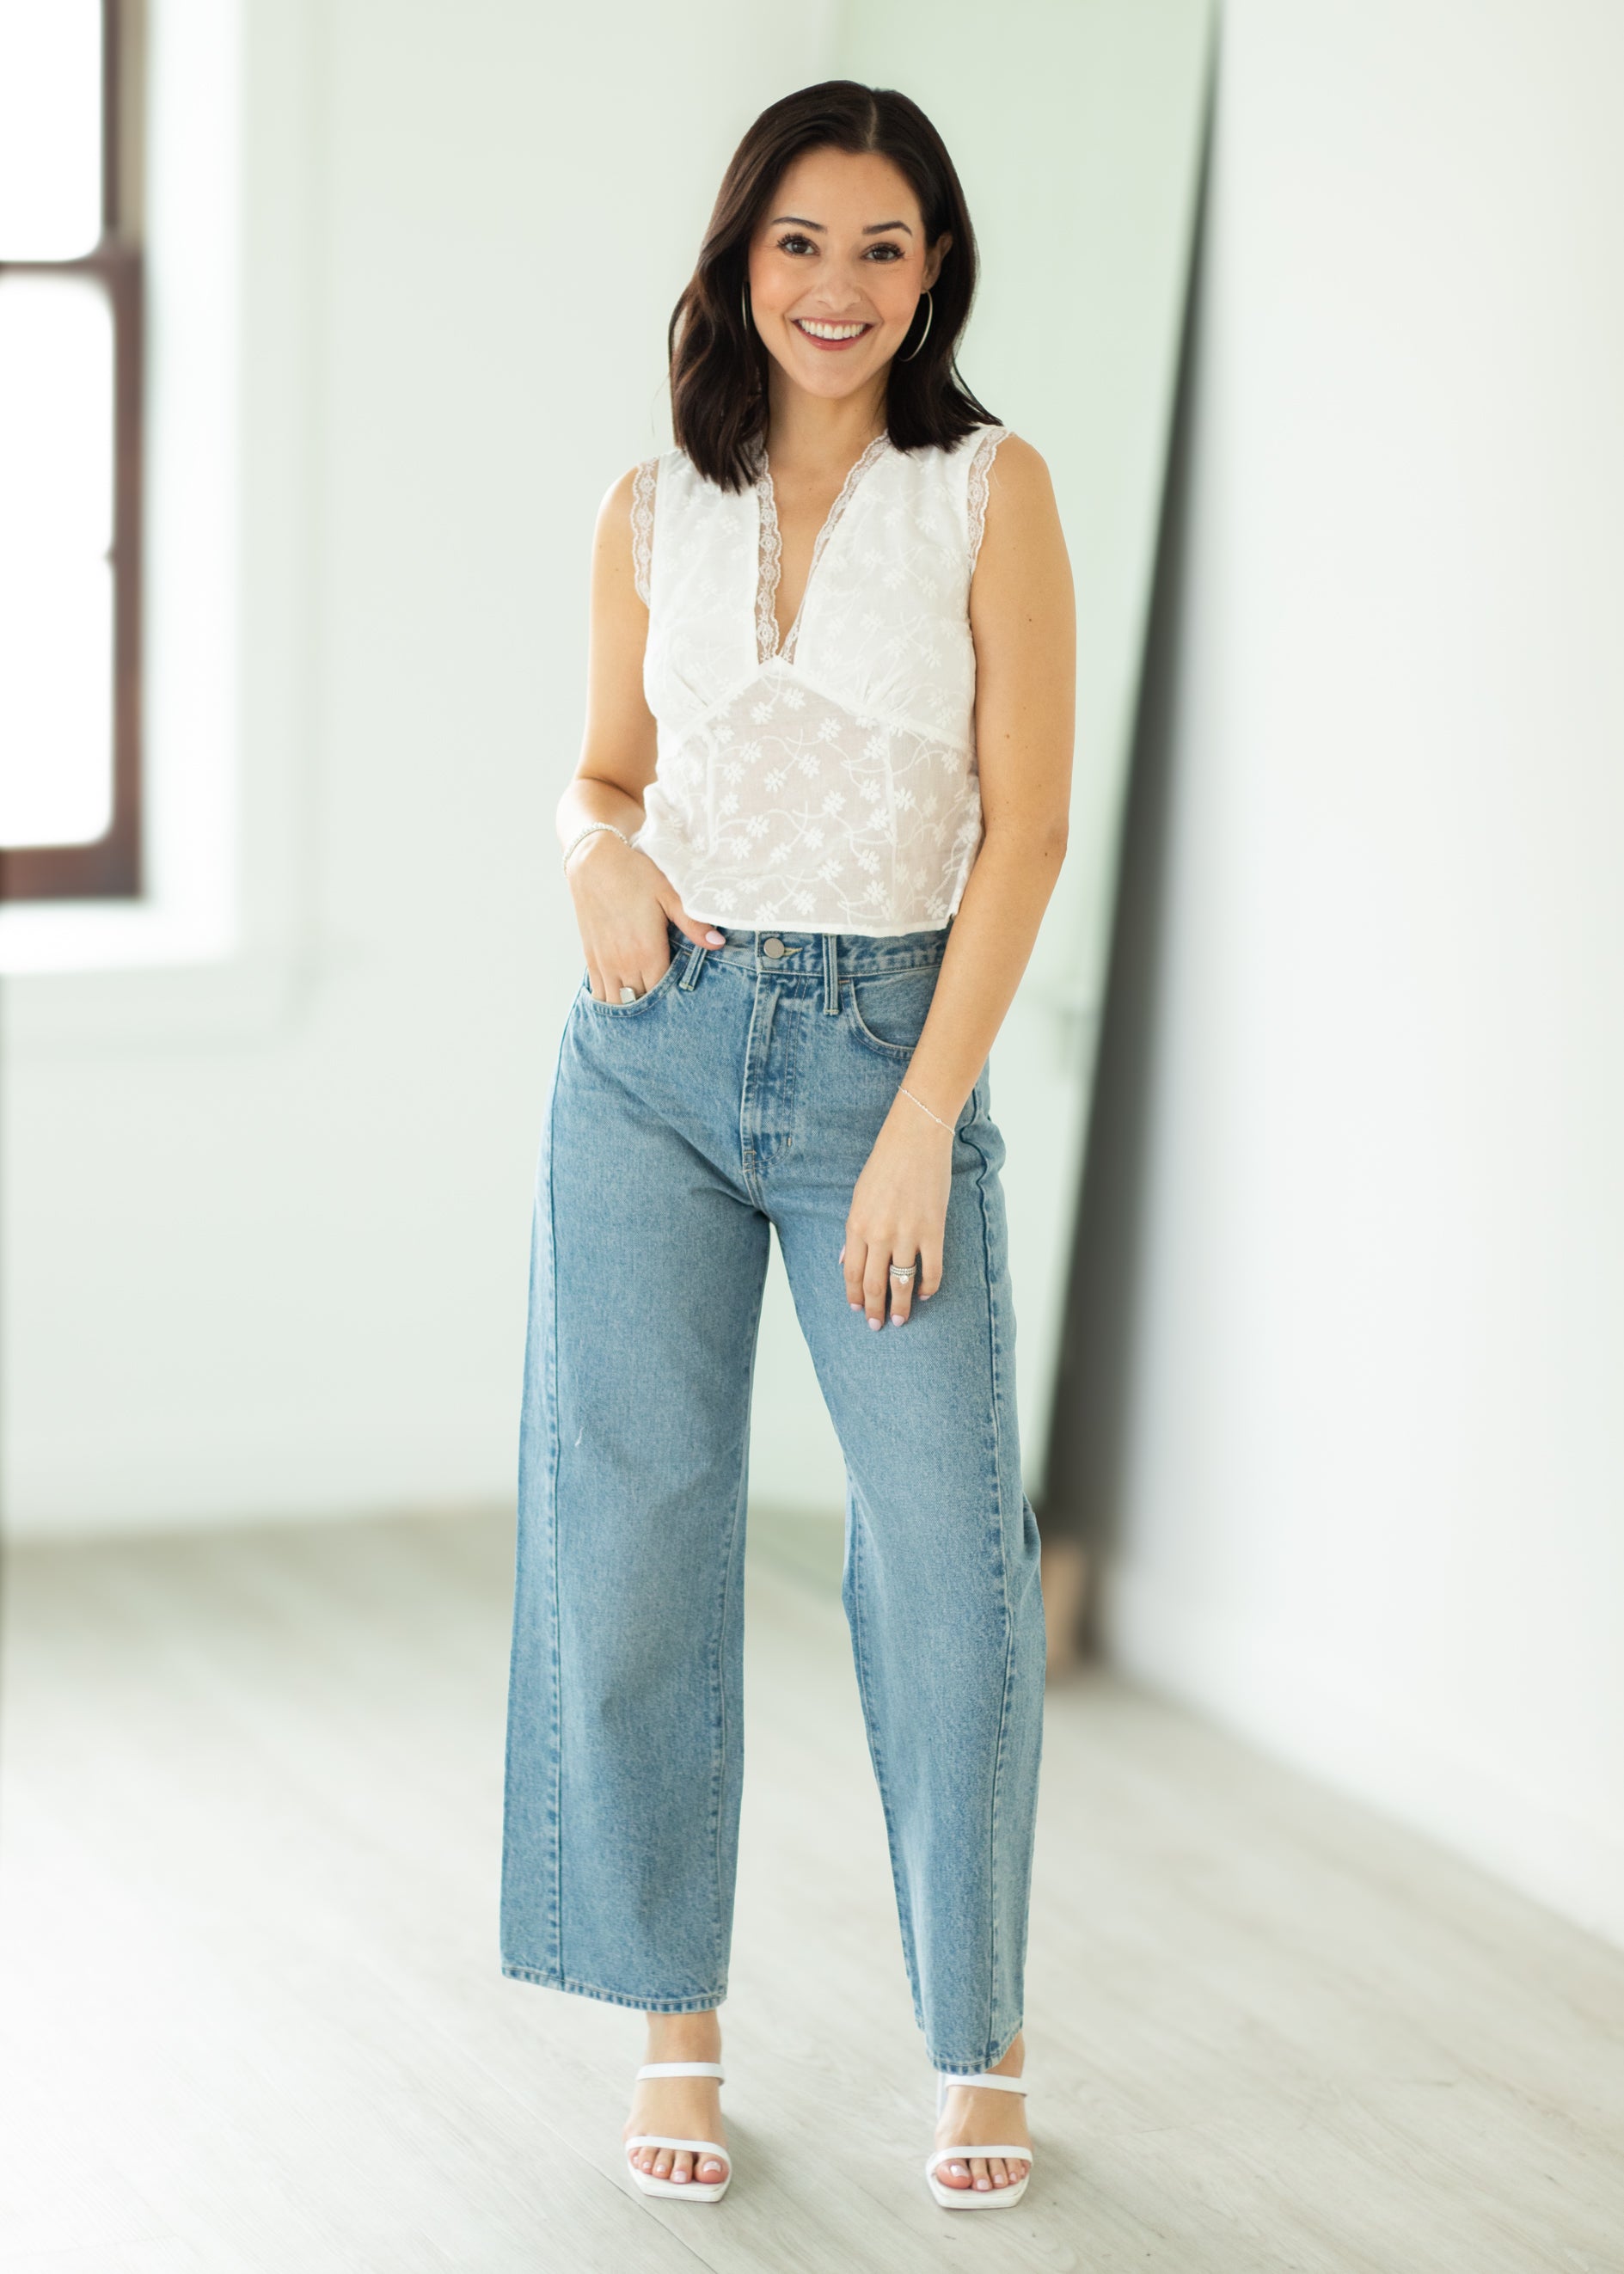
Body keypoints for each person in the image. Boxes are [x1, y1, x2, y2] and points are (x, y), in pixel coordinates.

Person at [501, 78, 1075, 2212]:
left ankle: (980, 2039)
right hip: (647, 1057)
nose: (839, 288)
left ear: (933, 278)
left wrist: (928, 1116)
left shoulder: (989, 492)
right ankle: (676, 2026)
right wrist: (590, 860)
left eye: (884, 250)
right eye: (802, 245)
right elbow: (595, 776)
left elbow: (1029, 831)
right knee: (639, 1543)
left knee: (946, 1570)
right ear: (743, 261)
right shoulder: (648, 507)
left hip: (880, 1062)